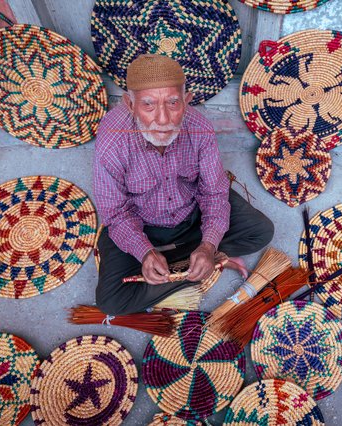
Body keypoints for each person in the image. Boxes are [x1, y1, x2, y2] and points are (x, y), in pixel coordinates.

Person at [93, 54, 274, 315]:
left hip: (190, 212)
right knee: (111, 301)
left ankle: (189, 260)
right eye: (148, 105)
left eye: (173, 102)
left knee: (261, 231)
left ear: (186, 101)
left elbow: (213, 192)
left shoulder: (199, 127)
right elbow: (116, 213)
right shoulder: (112, 139)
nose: (163, 119)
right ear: (130, 104)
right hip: (142, 224)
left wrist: (209, 244)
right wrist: (144, 252)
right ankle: (188, 266)